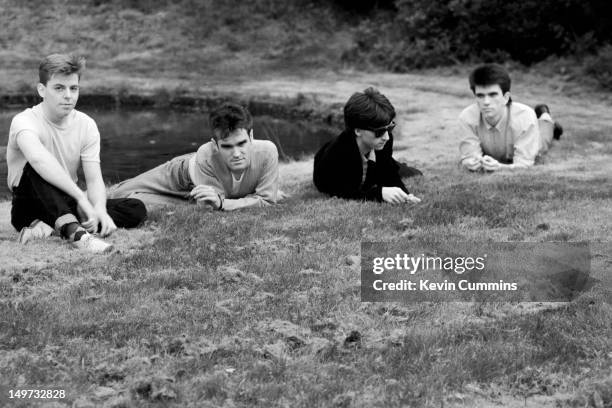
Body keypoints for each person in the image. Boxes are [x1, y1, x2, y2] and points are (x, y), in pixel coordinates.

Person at [7, 54, 147, 252]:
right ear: (41, 90)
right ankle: (77, 234)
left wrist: (98, 208)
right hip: (28, 205)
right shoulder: (24, 121)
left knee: (135, 208)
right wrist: (81, 198)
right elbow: (39, 160)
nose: (68, 95)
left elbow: (93, 177)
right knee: (33, 167)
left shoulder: (86, 124)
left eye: (73, 88)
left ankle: (51, 225)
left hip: (65, 200)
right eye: (59, 88)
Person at [110, 102, 279, 211]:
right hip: (181, 176)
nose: (236, 153)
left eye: (241, 143)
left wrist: (222, 204)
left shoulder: (268, 152)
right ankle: (86, 199)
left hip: (195, 197)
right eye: (227, 146)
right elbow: (219, 204)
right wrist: (228, 203)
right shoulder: (206, 153)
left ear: (251, 137)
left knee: (137, 203)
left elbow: (265, 201)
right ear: (215, 145)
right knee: (117, 194)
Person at [313, 87, 421, 204]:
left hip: (372, 162)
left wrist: (406, 195)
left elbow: (388, 172)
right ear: (358, 131)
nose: (387, 137)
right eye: (379, 131)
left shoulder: (384, 140)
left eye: (389, 128)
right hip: (338, 172)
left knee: (412, 172)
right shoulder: (336, 156)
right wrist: (379, 193)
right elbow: (343, 192)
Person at [459, 63, 563, 172]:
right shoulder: (467, 117)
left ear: (506, 97)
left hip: (526, 130)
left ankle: (545, 116)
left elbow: (525, 163)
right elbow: (469, 156)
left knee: (542, 144)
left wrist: (501, 168)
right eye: (480, 96)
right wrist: (471, 162)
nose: (486, 102)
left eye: (492, 95)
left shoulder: (524, 117)